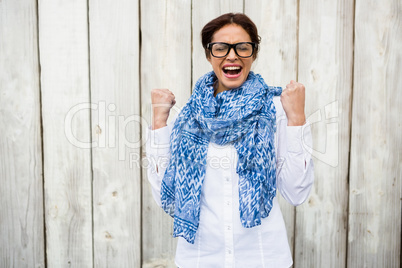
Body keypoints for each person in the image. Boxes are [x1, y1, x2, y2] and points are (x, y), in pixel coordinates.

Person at [146, 13, 314, 268]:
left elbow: (296, 193)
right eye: (221, 48)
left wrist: (298, 118)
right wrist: (158, 124)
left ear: (253, 54)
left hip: (262, 257)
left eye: (242, 47)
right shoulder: (185, 117)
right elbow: (165, 197)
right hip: (200, 259)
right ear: (208, 54)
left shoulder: (277, 111)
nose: (232, 56)